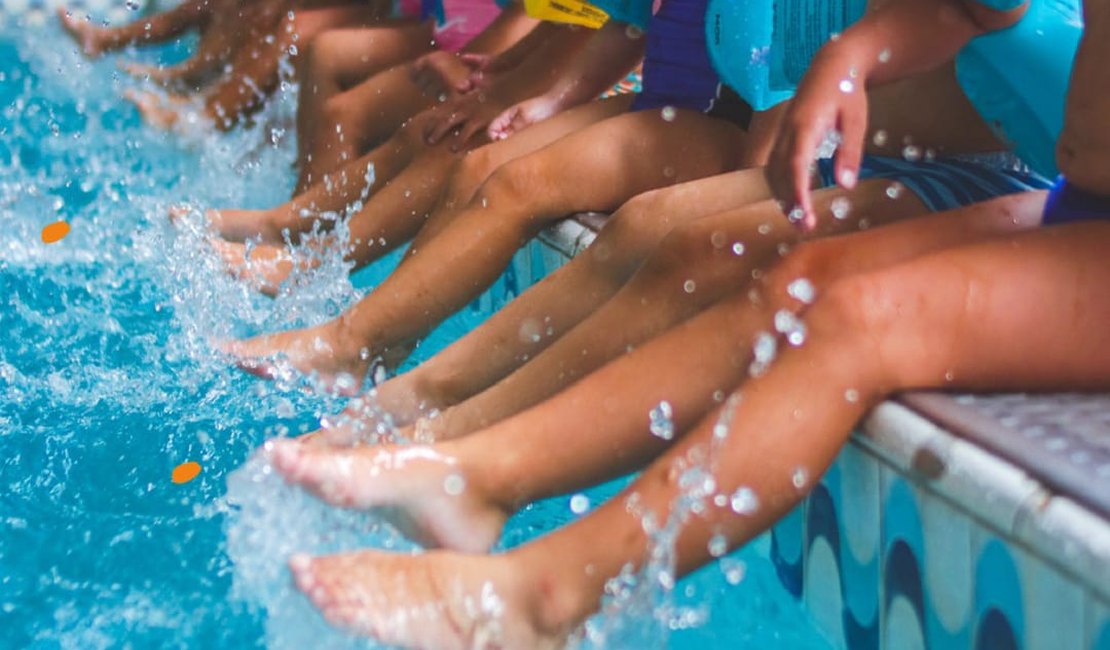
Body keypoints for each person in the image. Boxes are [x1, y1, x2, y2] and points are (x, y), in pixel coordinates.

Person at [258, 0, 1108, 646]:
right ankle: (457, 456)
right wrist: (854, 56)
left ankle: (509, 542)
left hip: (995, 178)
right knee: (786, 281)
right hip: (1060, 202)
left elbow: (1010, 42)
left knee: (806, 291)